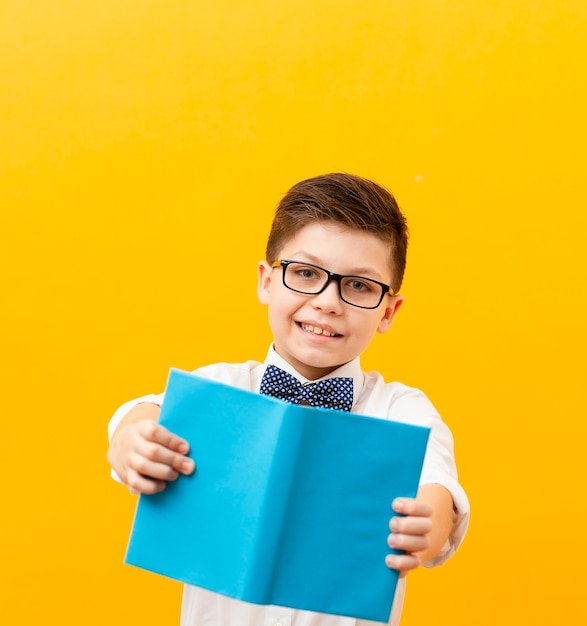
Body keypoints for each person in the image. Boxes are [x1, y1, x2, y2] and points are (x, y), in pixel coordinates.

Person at [107, 172, 470, 626]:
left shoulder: (402, 409)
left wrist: (425, 525)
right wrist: (130, 439)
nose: (327, 302)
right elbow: (146, 413)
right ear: (266, 281)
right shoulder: (221, 389)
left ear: (388, 311)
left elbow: (438, 490)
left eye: (359, 285)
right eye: (305, 273)